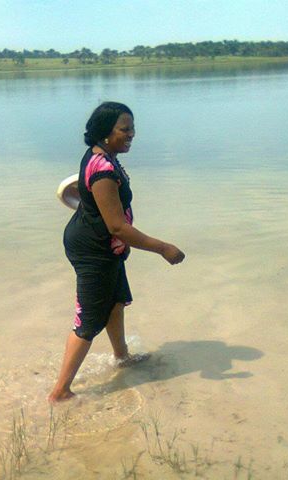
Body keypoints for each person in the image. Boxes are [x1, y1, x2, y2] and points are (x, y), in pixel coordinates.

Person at [48, 102, 185, 403]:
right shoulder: (103, 171)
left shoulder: (103, 156)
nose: (132, 134)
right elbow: (117, 227)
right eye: (125, 129)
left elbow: (90, 200)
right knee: (88, 320)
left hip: (102, 244)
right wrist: (164, 248)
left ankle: (121, 357)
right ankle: (60, 392)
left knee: (115, 301)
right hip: (93, 249)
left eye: (133, 128)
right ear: (105, 132)